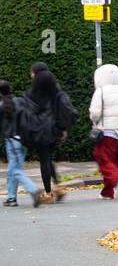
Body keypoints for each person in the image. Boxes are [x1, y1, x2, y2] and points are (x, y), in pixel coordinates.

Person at [24, 67, 77, 202]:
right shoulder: (56, 92)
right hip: (55, 130)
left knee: (44, 161)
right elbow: (63, 109)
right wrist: (63, 128)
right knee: (48, 160)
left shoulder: (33, 93)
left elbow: (27, 112)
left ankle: (48, 193)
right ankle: (58, 187)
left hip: (40, 131)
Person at [89, 63, 118, 199]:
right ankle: (108, 192)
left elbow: (95, 113)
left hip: (106, 131)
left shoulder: (100, 91)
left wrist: (94, 121)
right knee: (113, 162)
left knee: (102, 159)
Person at [1, 80, 41, 208]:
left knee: (16, 170)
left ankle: (33, 189)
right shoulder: (20, 101)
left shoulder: (2, 105)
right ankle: (11, 198)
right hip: (23, 140)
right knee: (13, 169)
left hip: (11, 141)